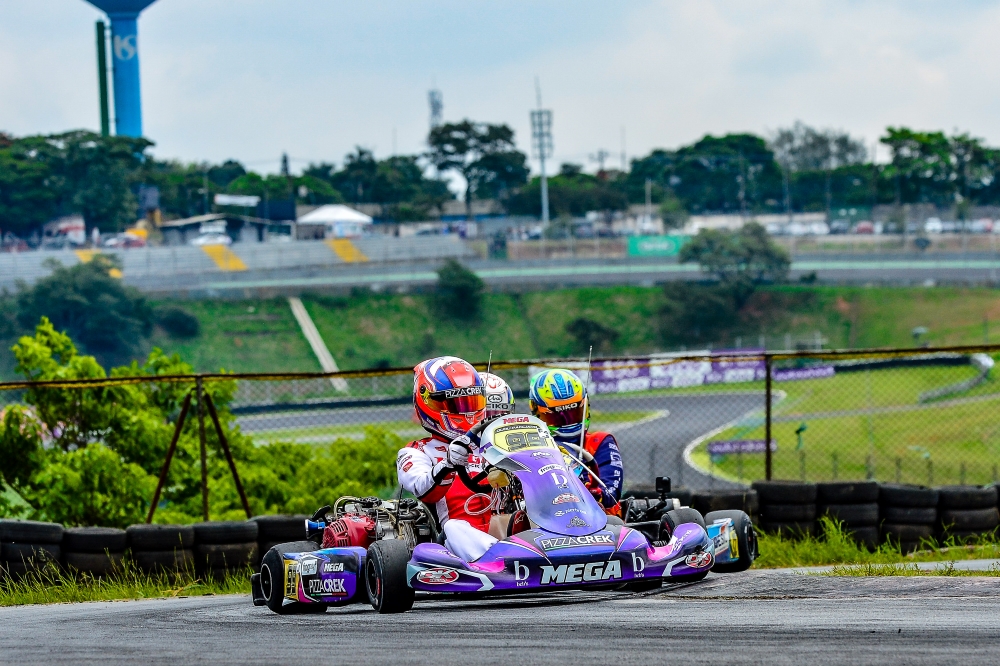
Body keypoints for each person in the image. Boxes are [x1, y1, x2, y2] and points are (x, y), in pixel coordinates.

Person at [396, 356, 498, 562]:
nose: (466, 411)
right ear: (429, 403)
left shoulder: (495, 443)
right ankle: (495, 560)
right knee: (455, 527)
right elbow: (423, 489)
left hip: (505, 529)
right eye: (456, 404)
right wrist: (448, 463)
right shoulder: (416, 452)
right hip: (454, 542)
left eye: (471, 402)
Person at [528, 368, 624, 513]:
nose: (568, 422)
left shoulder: (600, 442)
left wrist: (587, 488)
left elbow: (611, 494)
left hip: (602, 523)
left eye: (574, 413)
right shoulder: (531, 449)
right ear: (537, 414)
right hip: (547, 521)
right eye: (557, 416)